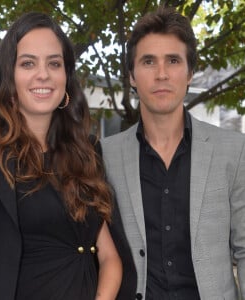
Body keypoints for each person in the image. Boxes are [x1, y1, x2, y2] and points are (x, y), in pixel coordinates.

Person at [0, 12, 122, 300]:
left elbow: (110, 257)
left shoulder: (86, 151)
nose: (44, 74)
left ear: (66, 76)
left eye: (54, 63)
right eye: (28, 63)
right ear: (10, 76)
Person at [102, 6, 245, 300]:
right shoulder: (104, 157)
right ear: (131, 75)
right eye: (148, 61)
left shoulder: (234, 150)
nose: (162, 74)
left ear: (190, 72)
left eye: (173, 60)